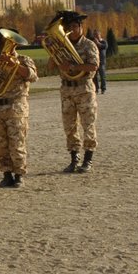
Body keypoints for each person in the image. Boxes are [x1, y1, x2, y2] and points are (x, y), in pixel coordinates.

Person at [0, 29, 37, 189]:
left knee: (17, 142)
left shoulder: (24, 59)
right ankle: (6, 174)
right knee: (0, 143)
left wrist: (15, 65)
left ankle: (19, 174)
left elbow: (32, 76)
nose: (7, 46)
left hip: (16, 107)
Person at [50, 10, 101, 173]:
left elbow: (93, 66)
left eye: (74, 26)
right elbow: (50, 66)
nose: (71, 30)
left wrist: (72, 66)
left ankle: (88, 159)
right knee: (69, 126)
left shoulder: (89, 45)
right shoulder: (63, 45)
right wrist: (54, 54)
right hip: (66, 90)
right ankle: (74, 158)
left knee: (88, 124)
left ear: (81, 27)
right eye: (68, 27)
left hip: (84, 88)